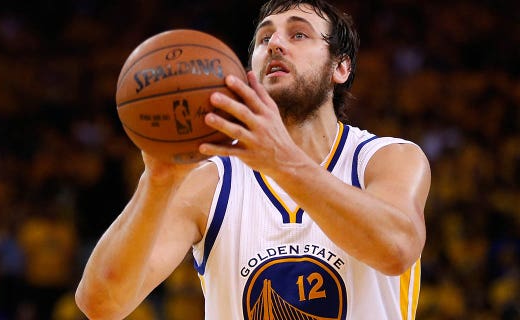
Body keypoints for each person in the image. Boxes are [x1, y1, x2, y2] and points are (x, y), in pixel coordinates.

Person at [75, 0, 431, 319]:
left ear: (341, 67)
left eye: (299, 35)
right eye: (264, 39)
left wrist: (283, 163)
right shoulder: (210, 182)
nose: (275, 43)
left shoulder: (386, 159)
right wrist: (157, 182)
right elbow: (101, 305)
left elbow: (397, 250)